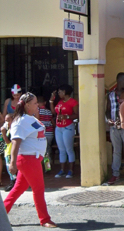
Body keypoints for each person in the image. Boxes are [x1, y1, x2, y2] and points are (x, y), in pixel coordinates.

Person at [3, 92, 57, 228]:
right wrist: (12, 163)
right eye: (34, 103)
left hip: (32, 159)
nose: (37, 105)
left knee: (18, 189)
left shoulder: (29, 118)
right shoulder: (21, 121)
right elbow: (15, 143)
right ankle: (45, 219)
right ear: (27, 105)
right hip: (28, 160)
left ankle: (1, 215)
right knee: (38, 189)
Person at [106, 73, 124, 185]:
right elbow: (107, 109)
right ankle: (115, 174)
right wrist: (108, 119)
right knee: (116, 151)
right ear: (118, 81)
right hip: (114, 126)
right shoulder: (111, 95)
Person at [51, 84, 78, 179]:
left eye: (60, 91)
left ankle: (71, 170)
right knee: (61, 149)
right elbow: (54, 112)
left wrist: (67, 117)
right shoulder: (60, 102)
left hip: (68, 127)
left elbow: (77, 115)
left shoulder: (73, 102)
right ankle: (62, 170)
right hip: (58, 128)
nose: (58, 93)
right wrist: (51, 101)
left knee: (69, 149)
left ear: (65, 92)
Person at [36, 96, 55, 167]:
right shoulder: (49, 111)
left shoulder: (37, 111)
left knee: (40, 150)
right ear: (45, 103)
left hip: (41, 133)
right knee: (47, 150)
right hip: (50, 133)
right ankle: (48, 166)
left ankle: (40, 166)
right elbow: (52, 122)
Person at [1, 114, 15, 191]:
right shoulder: (8, 130)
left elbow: (8, 141)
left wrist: (3, 133)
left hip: (10, 151)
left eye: (9, 120)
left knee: (10, 168)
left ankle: (13, 182)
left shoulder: (13, 130)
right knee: (8, 167)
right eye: (6, 120)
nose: (7, 122)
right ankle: (12, 181)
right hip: (7, 151)